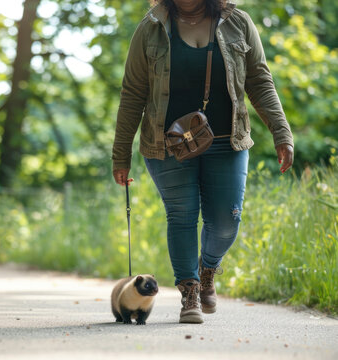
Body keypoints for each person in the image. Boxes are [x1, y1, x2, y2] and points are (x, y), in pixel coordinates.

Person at [112, 0, 294, 324]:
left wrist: (282, 133)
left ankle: (208, 267)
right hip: (168, 143)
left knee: (227, 221)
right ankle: (190, 290)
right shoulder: (151, 27)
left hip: (227, 142)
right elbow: (132, 93)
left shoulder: (238, 23)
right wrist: (120, 154)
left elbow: (260, 82)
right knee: (181, 215)